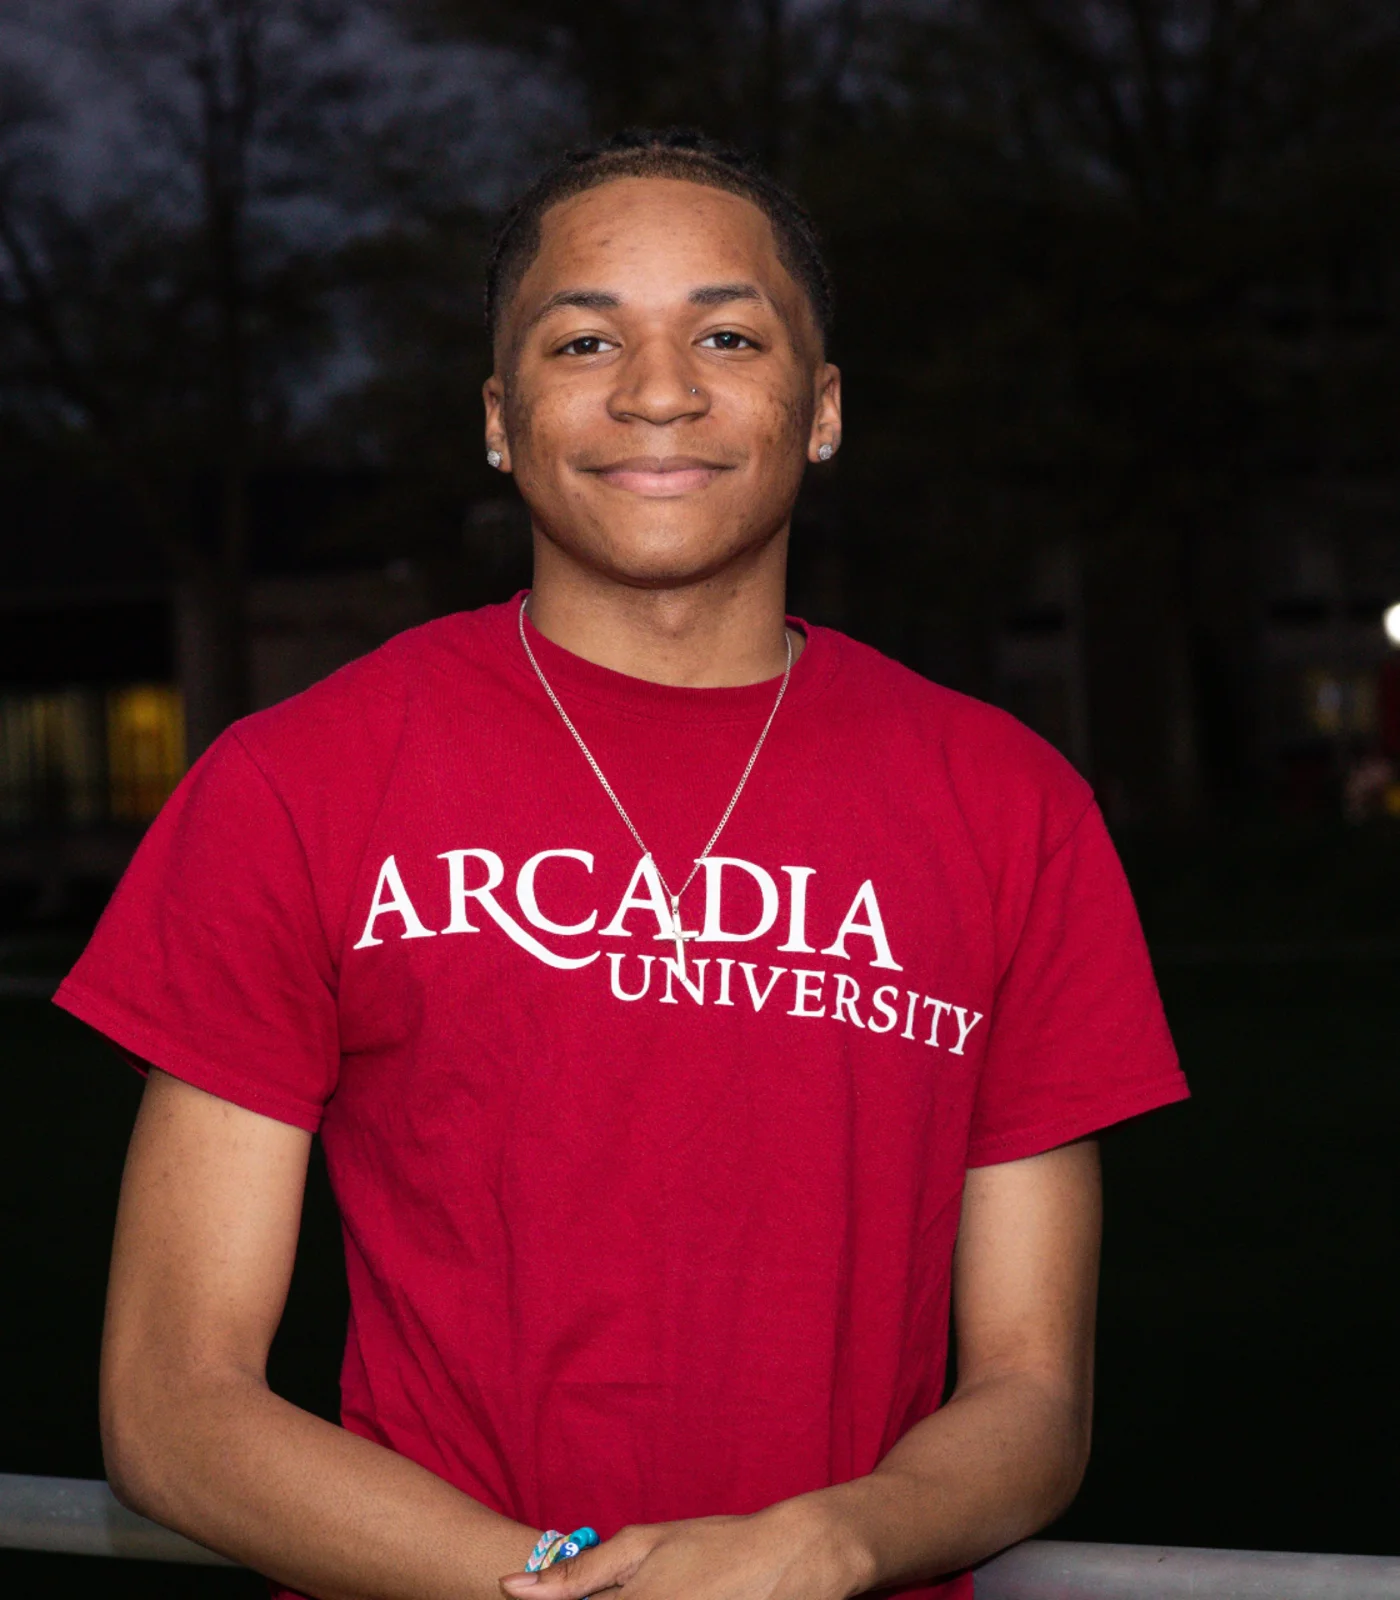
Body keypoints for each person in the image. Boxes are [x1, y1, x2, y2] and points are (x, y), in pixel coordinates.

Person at [56, 129, 1187, 1600]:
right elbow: (172, 1405)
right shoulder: (292, 784)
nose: (660, 392)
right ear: (498, 419)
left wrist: (828, 1545)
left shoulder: (1014, 805)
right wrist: (557, 1585)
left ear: (825, 407)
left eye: (728, 332)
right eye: (586, 339)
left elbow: (1034, 1396)